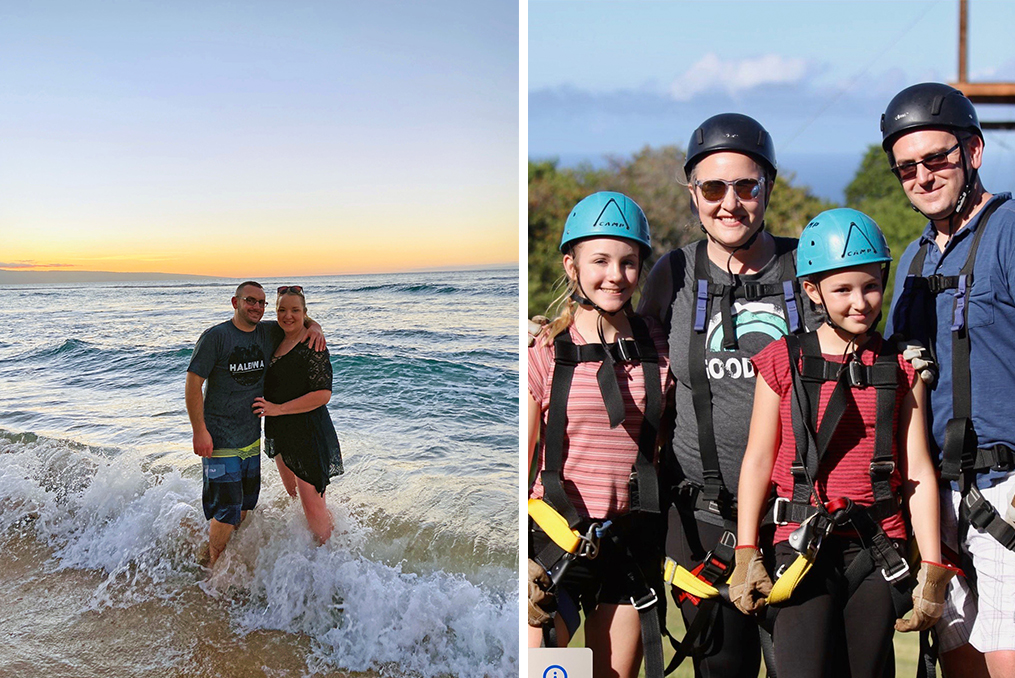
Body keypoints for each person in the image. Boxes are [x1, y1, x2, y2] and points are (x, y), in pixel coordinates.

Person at [637, 113, 820, 677]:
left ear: (768, 186)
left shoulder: (806, 265)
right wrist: (547, 332)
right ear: (694, 193)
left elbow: (859, 336)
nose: (730, 203)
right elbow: (627, 358)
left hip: (796, 518)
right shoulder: (672, 274)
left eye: (747, 186)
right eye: (713, 188)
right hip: (702, 521)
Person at [732, 207, 948, 678]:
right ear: (813, 291)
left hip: (877, 551)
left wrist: (930, 565)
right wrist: (746, 550)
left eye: (871, 286)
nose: (860, 302)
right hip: (799, 547)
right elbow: (758, 459)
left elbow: (917, 471)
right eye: (843, 290)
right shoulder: (781, 360)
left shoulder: (901, 368)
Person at [881, 82, 1015, 678]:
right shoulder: (913, 263)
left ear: (974, 152)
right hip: (937, 499)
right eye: (907, 167)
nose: (923, 176)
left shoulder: (1010, 231)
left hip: (1007, 484)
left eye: (937, 158)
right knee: (959, 659)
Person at [527, 191, 672, 678]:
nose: (615, 275)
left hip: (628, 544)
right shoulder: (545, 349)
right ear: (572, 265)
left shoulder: (659, 347)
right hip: (552, 540)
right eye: (601, 260)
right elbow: (519, 459)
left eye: (629, 262)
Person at [185, 281, 324, 566]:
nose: (257, 307)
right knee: (227, 508)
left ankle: (222, 556)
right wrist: (199, 431)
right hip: (220, 437)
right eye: (250, 301)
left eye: (261, 303)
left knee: (246, 505)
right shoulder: (216, 337)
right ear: (235, 303)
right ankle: (212, 567)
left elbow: (295, 317)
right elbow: (193, 383)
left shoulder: (267, 332)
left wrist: (315, 327)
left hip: (251, 436)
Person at [253, 285, 342, 544]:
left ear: (305, 312)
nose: (287, 315)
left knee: (313, 508)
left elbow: (323, 395)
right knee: (296, 498)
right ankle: (308, 556)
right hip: (280, 430)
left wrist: (277, 409)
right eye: (282, 309)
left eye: (295, 310)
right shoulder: (275, 337)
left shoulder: (312, 344)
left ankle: (331, 565)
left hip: (307, 431)